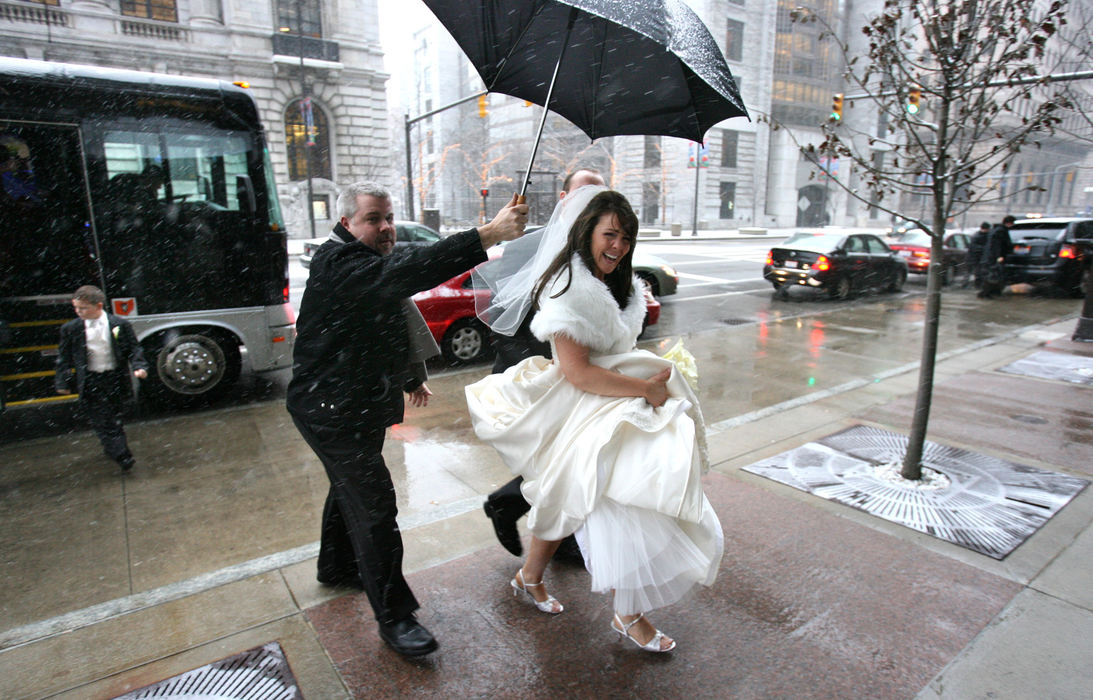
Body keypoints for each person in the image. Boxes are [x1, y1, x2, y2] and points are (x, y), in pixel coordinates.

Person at [466, 188, 722, 653]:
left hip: (613, 401)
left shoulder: (620, 285)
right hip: (580, 406)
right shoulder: (567, 290)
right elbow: (579, 372)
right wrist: (645, 387)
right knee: (611, 500)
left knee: (565, 496)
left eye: (626, 237)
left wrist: (648, 372)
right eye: (610, 234)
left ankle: (528, 577)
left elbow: (613, 352)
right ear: (587, 232)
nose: (619, 246)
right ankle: (628, 613)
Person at [286, 182, 527, 658]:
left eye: (388, 217)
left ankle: (335, 567)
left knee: (349, 488)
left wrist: (411, 377)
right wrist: (488, 233)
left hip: (354, 404)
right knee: (373, 505)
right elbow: (409, 270)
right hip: (329, 410)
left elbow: (390, 321)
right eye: (373, 218)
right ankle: (395, 616)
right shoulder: (339, 263)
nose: (386, 227)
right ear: (345, 224)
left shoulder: (367, 267)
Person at [482, 167, 605, 558]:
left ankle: (515, 507)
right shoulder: (524, 246)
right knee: (567, 458)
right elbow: (503, 322)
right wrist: (548, 372)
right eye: (584, 195)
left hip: (582, 373)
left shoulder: (606, 248)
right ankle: (545, 528)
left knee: (573, 457)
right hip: (538, 376)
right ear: (564, 199)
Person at [54, 285, 148, 471]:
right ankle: (122, 455)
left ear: (98, 306)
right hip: (90, 380)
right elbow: (64, 358)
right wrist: (62, 381)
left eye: (83, 308)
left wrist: (139, 366)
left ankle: (111, 446)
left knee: (114, 415)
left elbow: (133, 348)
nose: (78, 312)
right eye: (76, 308)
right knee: (103, 418)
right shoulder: (71, 329)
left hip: (114, 378)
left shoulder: (119, 325)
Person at [978, 215, 1015, 298]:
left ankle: (988, 292)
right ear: (1009, 223)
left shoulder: (996, 230)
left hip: (991, 257)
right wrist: (999, 256)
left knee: (992, 275)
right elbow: (998, 245)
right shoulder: (1001, 231)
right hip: (994, 258)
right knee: (993, 276)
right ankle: (987, 293)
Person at [963, 221, 991, 288]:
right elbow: (974, 247)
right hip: (975, 258)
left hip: (974, 258)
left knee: (971, 272)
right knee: (976, 272)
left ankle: (968, 284)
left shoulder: (978, 235)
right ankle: (975, 285)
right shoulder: (978, 236)